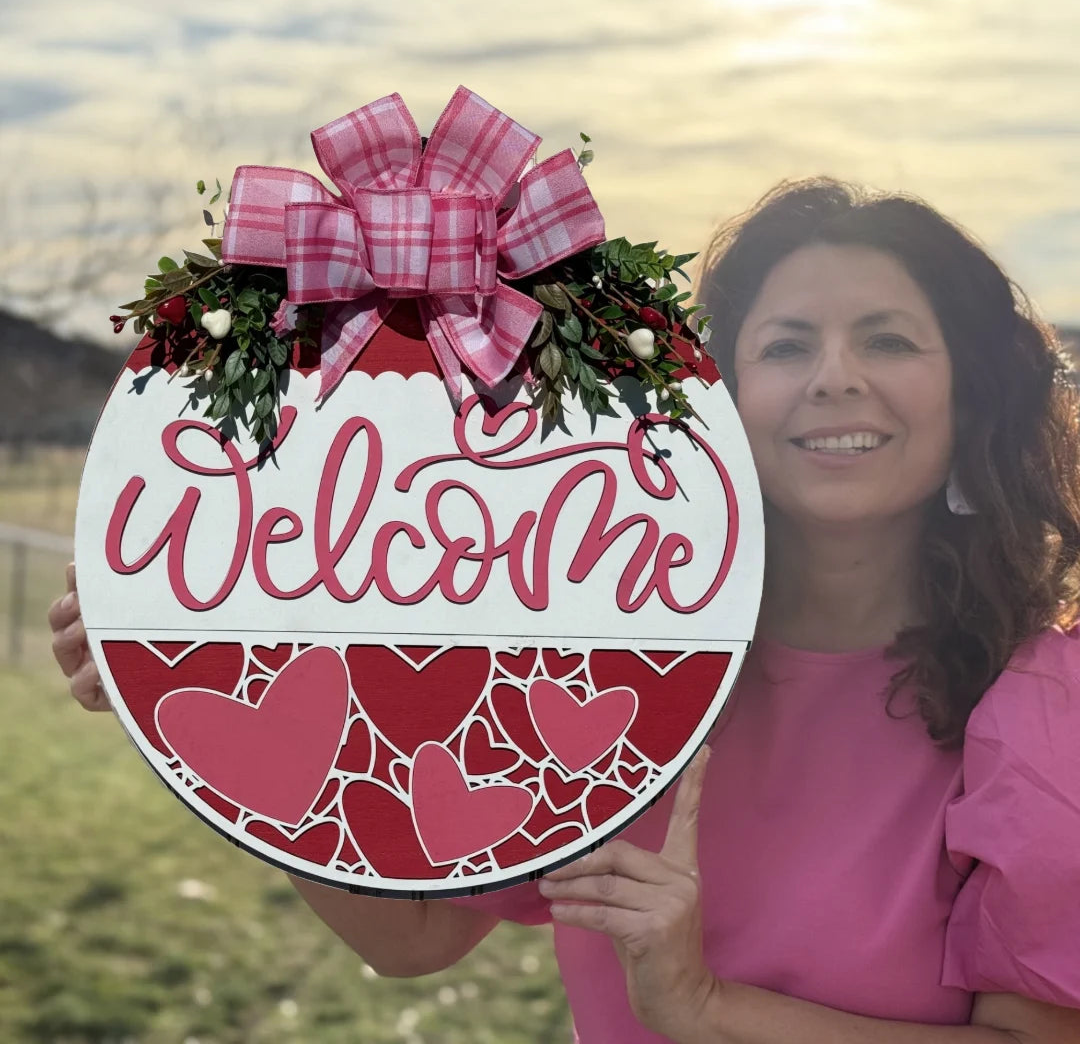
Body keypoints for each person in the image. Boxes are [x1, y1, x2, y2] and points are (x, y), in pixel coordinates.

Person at [50, 176, 1080, 1043]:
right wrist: (199, 719)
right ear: (715, 402)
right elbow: (413, 941)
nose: (835, 381)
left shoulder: (1042, 703)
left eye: (891, 342)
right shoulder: (616, 665)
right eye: (785, 347)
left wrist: (706, 1006)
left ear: (975, 397)